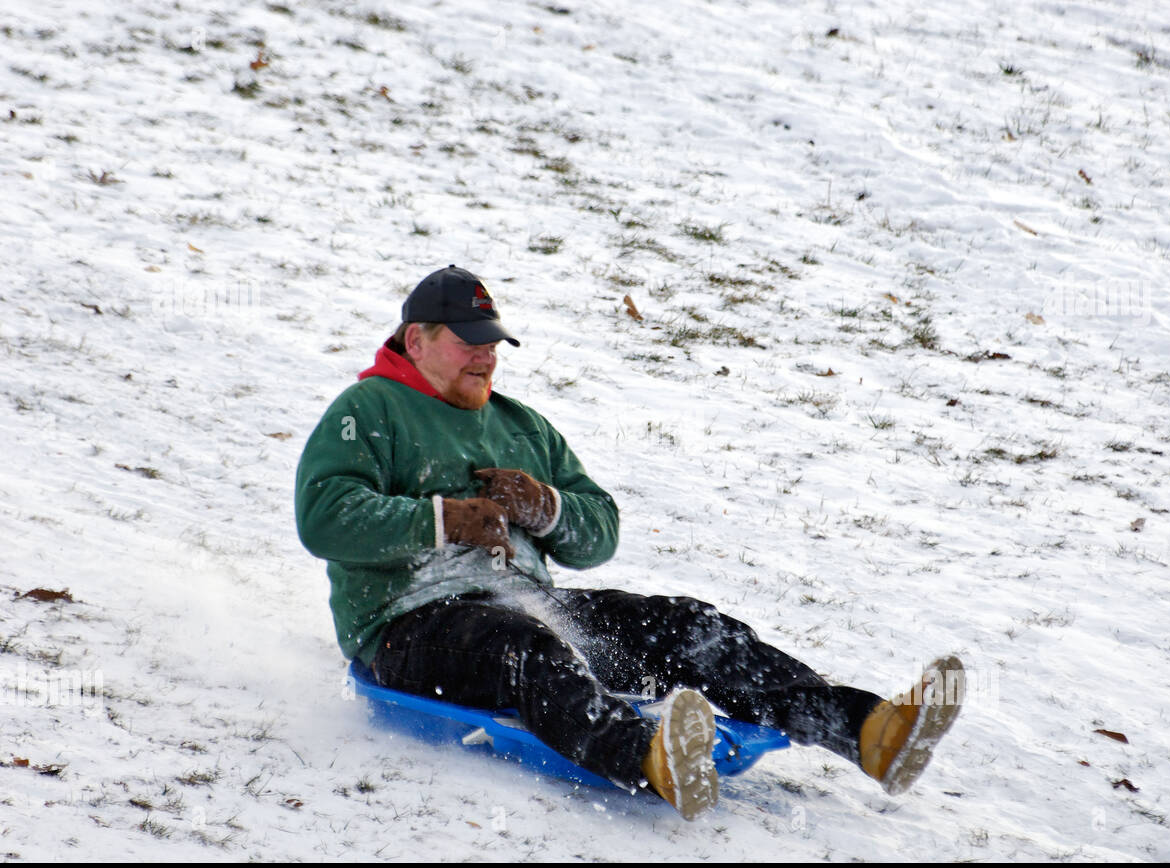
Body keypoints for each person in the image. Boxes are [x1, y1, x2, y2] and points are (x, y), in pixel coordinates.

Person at [295, 265, 964, 820]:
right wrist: (444, 519)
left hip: (533, 607)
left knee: (686, 625)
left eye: (492, 341)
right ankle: (648, 758)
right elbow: (323, 514)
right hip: (410, 626)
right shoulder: (370, 411)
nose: (487, 354)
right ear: (416, 340)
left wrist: (547, 507)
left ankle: (869, 731)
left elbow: (599, 531)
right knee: (526, 651)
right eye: (468, 340)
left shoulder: (520, 425)